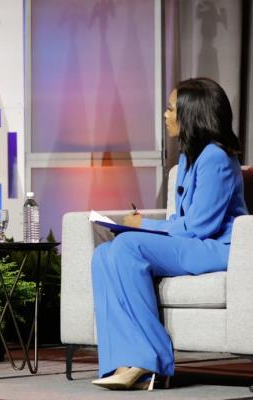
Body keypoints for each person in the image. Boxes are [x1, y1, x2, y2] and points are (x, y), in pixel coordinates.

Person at [90, 77, 247, 390]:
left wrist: (142, 225)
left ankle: (151, 361)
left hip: (218, 247)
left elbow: (201, 226)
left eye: (171, 108)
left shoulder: (217, 157)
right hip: (196, 243)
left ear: (191, 113)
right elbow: (181, 219)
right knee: (104, 254)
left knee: (127, 247)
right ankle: (122, 360)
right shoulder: (189, 157)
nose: (166, 114)